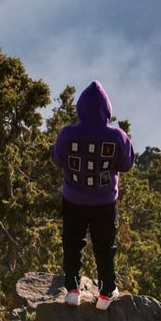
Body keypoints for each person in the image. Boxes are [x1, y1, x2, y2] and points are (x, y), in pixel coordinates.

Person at [50, 80, 134, 309]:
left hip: (73, 199)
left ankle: (72, 290)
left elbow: (57, 159)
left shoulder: (67, 134)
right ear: (107, 109)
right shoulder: (117, 136)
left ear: (80, 108)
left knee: (72, 243)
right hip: (104, 201)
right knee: (104, 247)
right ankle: (107, 293)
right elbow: (126, 165)